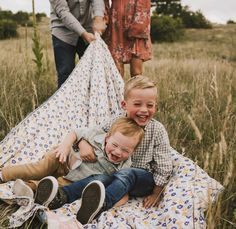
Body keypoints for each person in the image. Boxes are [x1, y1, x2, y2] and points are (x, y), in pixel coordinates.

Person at [36, 76, 173, 224]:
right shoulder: (116, 121)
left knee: (127, 173)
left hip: (141, 178)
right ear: (124, 104)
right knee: (99, 178)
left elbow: (164, 164)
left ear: (156, 107)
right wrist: (83, 143)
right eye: (137, 104)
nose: (144, 110)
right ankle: (60, 197)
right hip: (115, 177)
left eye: (150, 105)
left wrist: (156, 193)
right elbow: (93, 134)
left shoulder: (157, 130)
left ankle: (100, 206)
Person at [0, 117, 144, 207]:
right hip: (64, 159)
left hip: (74, 179)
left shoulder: (125, 166)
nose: (118, 152)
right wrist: (65, 146)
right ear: (107, 138)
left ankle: (29, 188)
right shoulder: (97, 135)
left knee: (56, 186)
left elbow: (120, 184)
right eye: (115, 145)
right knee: (39, 169)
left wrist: (120, 198)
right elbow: (75, 133)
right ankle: (3, 174)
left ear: (133, 151)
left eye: (125, 150)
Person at [49, 0, 106, 87]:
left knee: (92, 73)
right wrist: (83, 33)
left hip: (87, 28)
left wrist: (98, 19)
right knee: (65, 73)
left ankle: (89, 100)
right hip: (63, 32)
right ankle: (66, 100)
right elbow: (63, 11)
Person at [103, 0, 152, 78]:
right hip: (116, 24)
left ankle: (136, 89)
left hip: (137, 22)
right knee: (116, 70)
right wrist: (105, 15)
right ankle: (119, 90)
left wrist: (138, 25)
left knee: (136, 71)